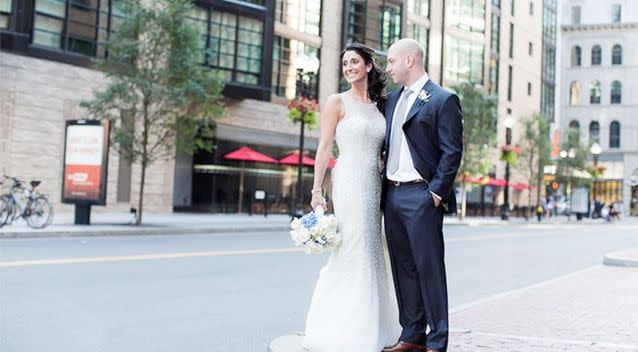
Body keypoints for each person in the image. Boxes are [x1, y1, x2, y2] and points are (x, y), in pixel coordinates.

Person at [303, 43, 401, 351]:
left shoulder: (381, 104)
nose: (349, 67)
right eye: (345, 63)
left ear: (369, 66)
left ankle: (376, 324)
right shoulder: (336, 101)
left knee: (373, 247)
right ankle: (342, 327)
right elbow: (324, 147)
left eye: (354, 62)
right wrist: (316, 190)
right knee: (352, 245)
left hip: (375, 182)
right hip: (348, 181)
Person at [381, 39, 463, 352]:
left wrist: (436, 193)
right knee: (404, 269)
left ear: (411, 59)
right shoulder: (391, 100)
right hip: (393, 195)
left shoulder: (443, 99)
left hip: (421, 195)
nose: (388, 69)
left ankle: (437, 340)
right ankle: (412, 335)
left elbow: (451, 151)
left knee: (429, 268)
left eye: (391, 61)